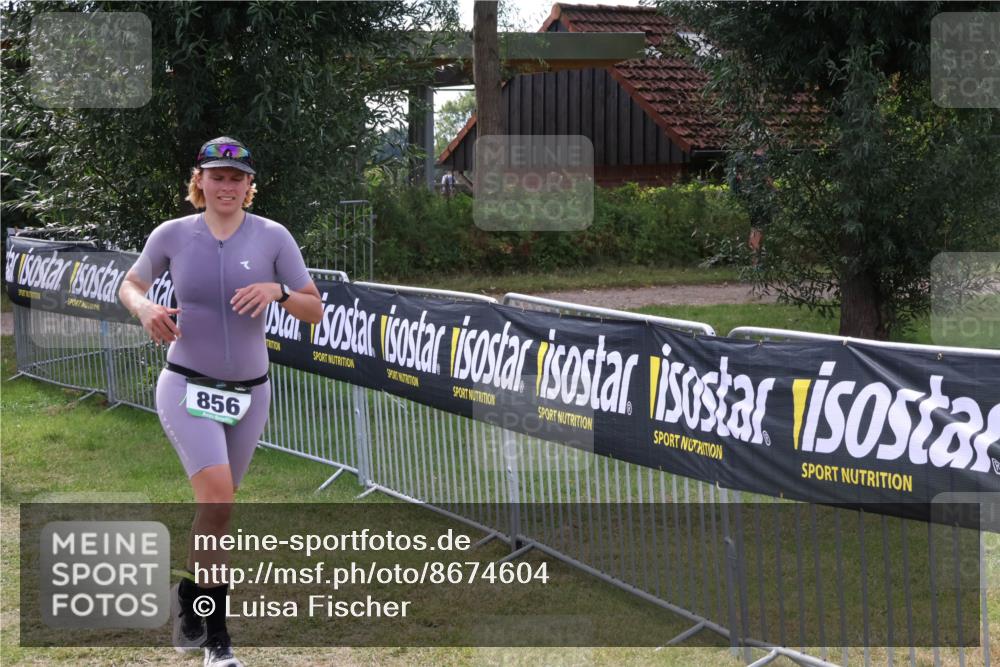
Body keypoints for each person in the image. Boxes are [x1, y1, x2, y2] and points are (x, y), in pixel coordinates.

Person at [119, 137, 323, 666]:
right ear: (200, 181)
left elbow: (314, 308)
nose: (226, 186)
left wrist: (278, 292)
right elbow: (131, 284)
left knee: (217, 512)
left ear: (249, 185)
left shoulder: (273, 236)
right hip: (187, 384)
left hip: (251, 392)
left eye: (236, 178)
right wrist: (145, 309)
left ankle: (190, 595)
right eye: (217, 176)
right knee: (217, 502)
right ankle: (218, 642)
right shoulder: (173, 234)